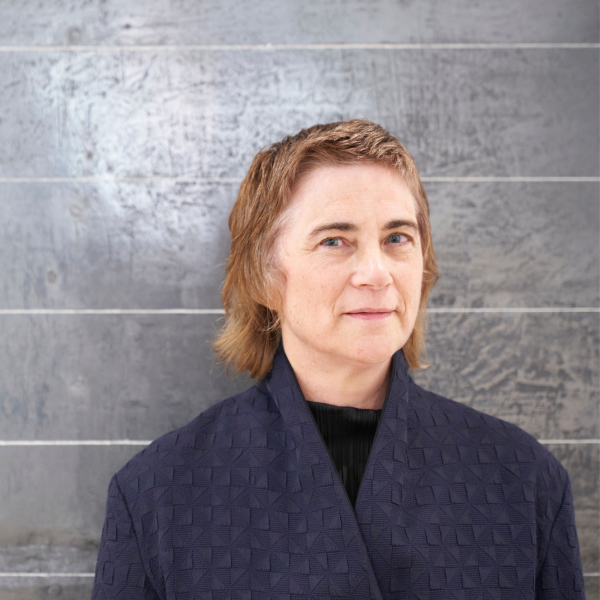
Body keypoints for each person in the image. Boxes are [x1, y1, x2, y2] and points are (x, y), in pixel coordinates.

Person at [92, 119, 584, 599]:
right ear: (265, 277)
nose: (376, 273)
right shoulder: (157, 493)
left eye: (397, 238)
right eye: (334, 240)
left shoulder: (524, 480)